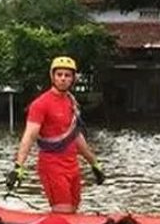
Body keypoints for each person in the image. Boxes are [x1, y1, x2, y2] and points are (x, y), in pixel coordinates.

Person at [6, 56, 105, 213]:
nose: (63, 79)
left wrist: (94, 164)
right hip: (52, 166)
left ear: (73, 78)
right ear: (52, 76)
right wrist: (19, 167)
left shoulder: (71, 102)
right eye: (59, 75)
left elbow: (76, 136)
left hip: (72, 166)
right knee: (63, 210)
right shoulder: (40, 104)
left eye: (67, 75)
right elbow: (29, 136)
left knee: (73, 210)